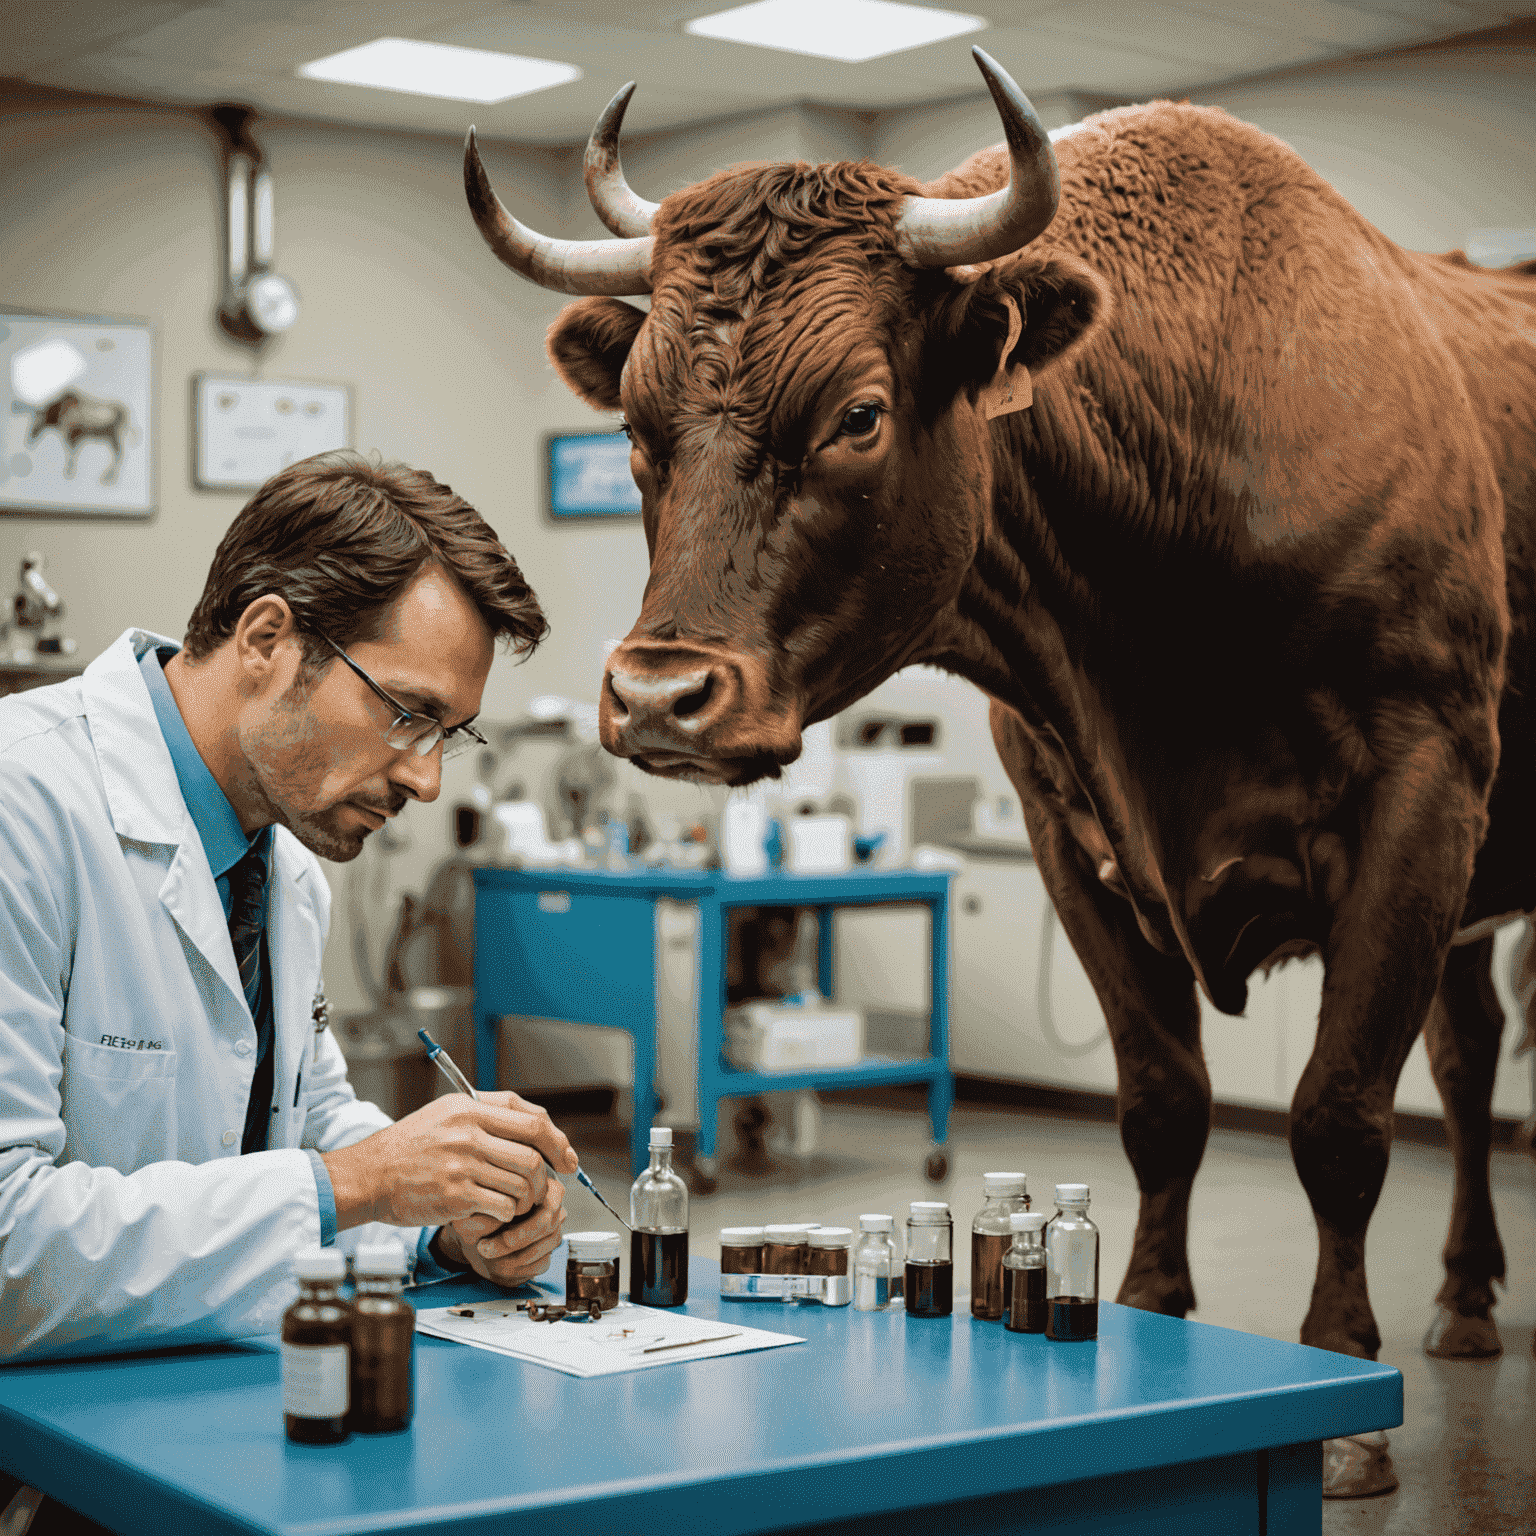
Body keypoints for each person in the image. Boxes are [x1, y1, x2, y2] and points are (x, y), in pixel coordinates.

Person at [0, 451, 579, 1377]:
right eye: (407, 713)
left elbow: (299, 1143)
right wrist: (368, 1180)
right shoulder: (21, 805)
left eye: (449, 737)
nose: (426, 778)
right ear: (268, 639)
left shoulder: (282, 865)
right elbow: (7, 1248)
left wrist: (443, 1228)